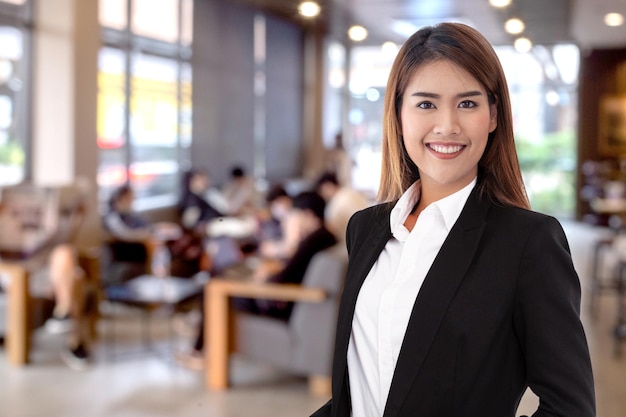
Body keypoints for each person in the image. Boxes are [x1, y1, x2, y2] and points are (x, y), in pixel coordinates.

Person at [311, 22, 595, 417]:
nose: (447, 125)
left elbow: (570, 410)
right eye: (426, 104)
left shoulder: (528, 243)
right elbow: (358, 393)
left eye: (467, 103)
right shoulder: (366, 228)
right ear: (398, 114)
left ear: (493, 115)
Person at [314, 172, 370, 243]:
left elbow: (331, 229)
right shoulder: (351, 192)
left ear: (328, 186)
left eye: (322, 191)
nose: (323, 195)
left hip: (356, 241)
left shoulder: (335, 205)